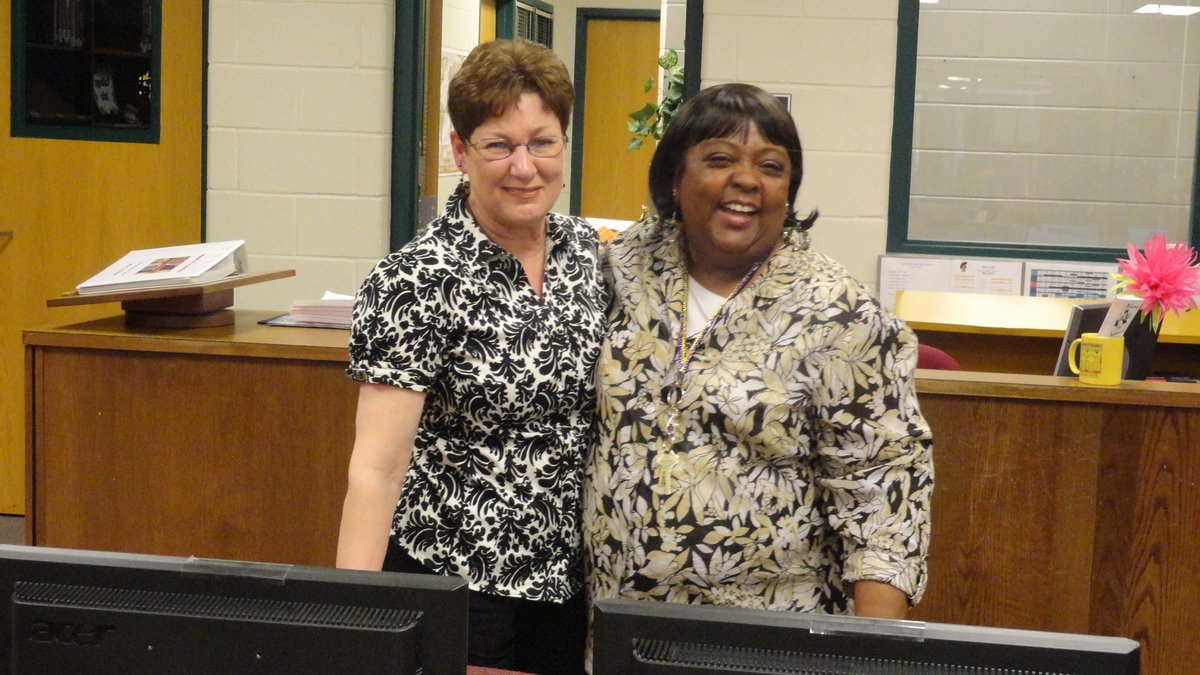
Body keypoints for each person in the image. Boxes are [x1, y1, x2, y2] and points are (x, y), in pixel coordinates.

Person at [585, 83, 933, 622]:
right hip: (612, 626)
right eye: (720, 159)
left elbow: (886, 490)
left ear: (788, 192)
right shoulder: (622, 270)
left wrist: (875, 648)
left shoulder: (838, 310)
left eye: (771, 167)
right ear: (675, 177)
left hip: (768, 630)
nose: (746, 180)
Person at [338, 39, 605, 674]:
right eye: (498, 145)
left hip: (572, 585)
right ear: (460, 151)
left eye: (542, 142)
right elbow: (377, 467)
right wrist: (350, 618)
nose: (524, 166)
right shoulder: (416, 278)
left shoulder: (589, 255)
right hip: (461, 583)